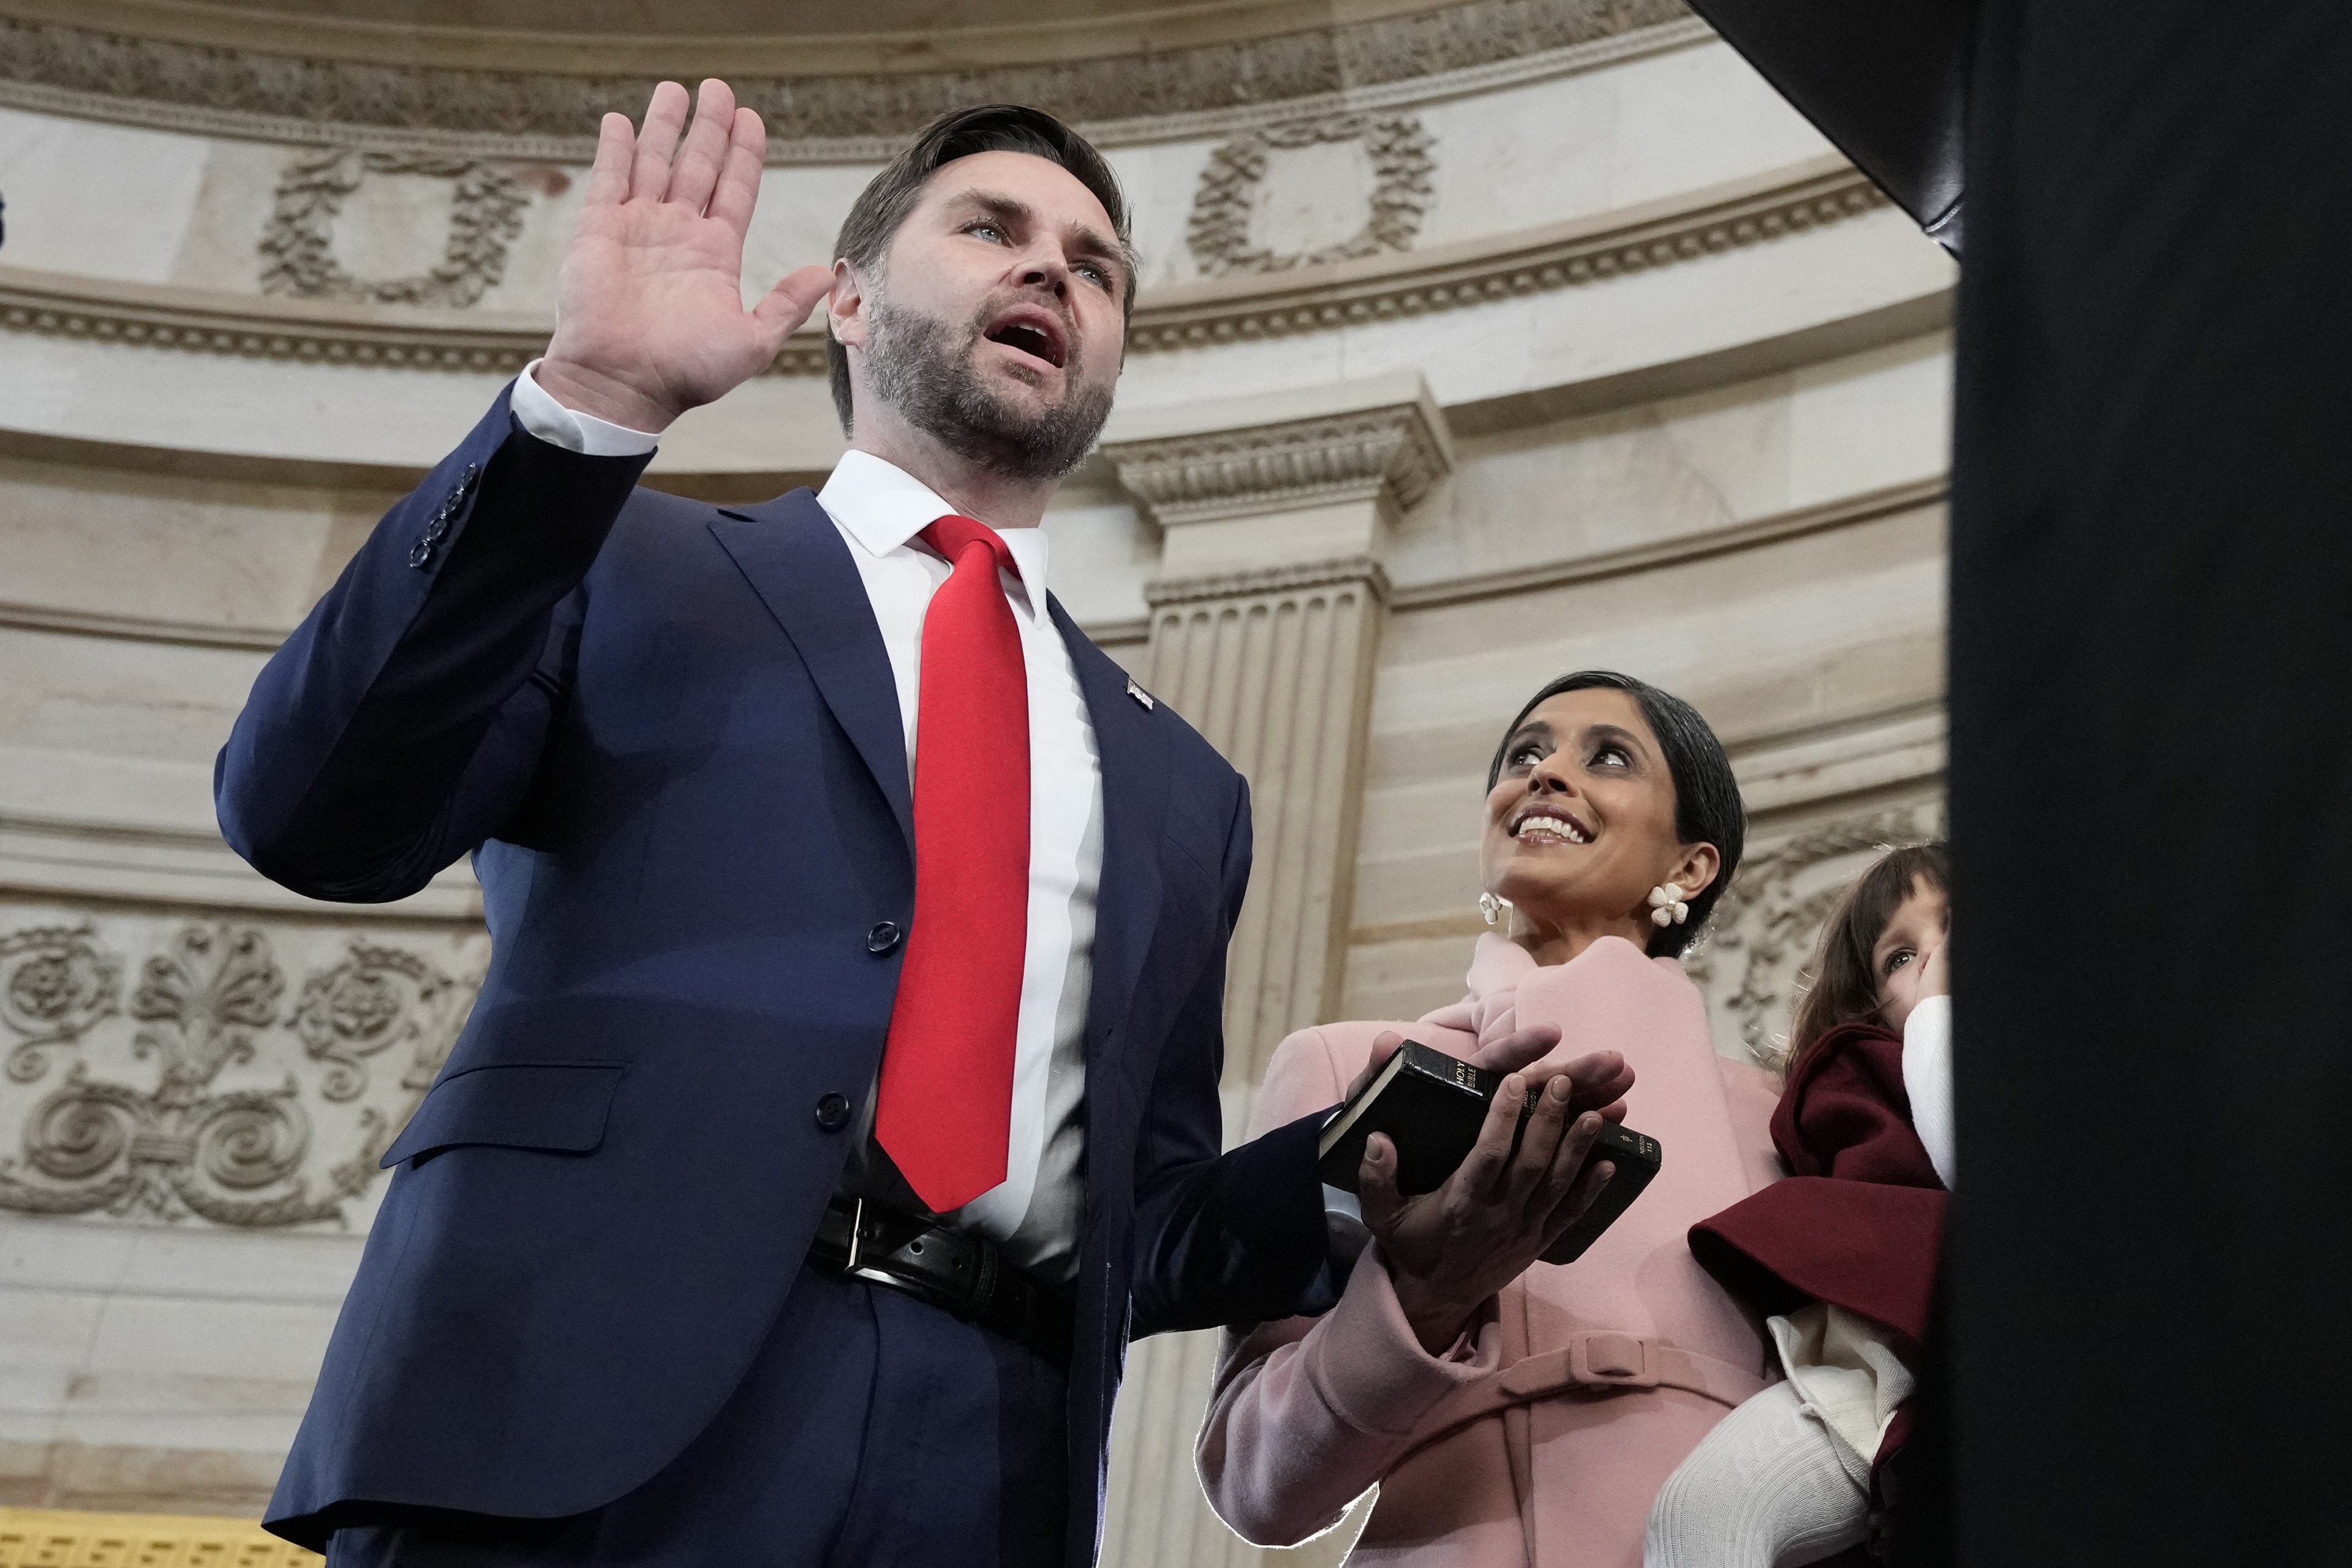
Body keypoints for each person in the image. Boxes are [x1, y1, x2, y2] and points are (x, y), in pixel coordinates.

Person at [215, 88, 1629, 1567]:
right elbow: (311, 815)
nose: (1051, 274)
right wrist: (588, 402)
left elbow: (1140, 1219)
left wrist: (1391, 1171)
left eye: (1095, 268)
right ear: (845, 299)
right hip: (564, 1412)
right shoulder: (627, 557)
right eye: (990, 229)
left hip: (985, 1463)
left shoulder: (1183, 785)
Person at [1196, 670, 1782, 1567]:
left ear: (1690, 866)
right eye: (1524, 756)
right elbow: (1254, 1484)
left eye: (1609, 757)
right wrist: (1423, 1302)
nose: (1544, 775)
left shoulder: (1777, 1119)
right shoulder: (1344, 1068)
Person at [1649, 843, 1952, 1567]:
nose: (1942, 954)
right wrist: (1941, 1017)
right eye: (1901, 957)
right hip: (1875, 1376)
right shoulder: (1860, 1076)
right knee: (1702, 1512)